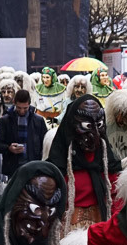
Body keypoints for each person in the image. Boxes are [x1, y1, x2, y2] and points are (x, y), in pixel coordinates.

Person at [46, 94, 122, 232]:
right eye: (86, 125)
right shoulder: (59, 165)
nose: (94, 133)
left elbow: (117, 198)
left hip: (101, 231)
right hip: (66, 233)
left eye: (98, 125)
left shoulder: (107, 162)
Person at [0, 89, 48, 178]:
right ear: (14, 103)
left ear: (29, 104)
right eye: (19, 108)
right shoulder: (5, 120)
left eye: (25, 108)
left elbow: (45, 145)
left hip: (33, 168)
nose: (22, 111)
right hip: (13, 168)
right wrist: (9, 148)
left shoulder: (38, 121)